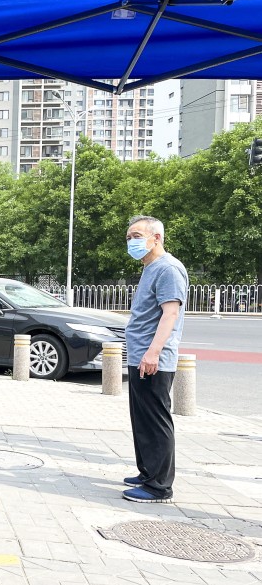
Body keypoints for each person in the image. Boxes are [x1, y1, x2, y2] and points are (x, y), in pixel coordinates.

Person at [122, 215, 188, 504]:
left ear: (156, 237)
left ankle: (159, 487)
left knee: (156, 420)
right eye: (129, 238)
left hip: (153, 359)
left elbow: (170, 314)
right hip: (141, 356)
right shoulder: (150, 267)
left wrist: (153, 352)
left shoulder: (168, 269)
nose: (131, 242)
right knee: (142, 419)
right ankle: (148, 472)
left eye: (136, 235)